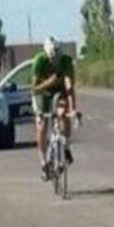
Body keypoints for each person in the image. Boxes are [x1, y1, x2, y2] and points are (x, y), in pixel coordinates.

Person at [32, 36, 78, 179]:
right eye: (52, 58)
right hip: (42, 94)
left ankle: (66, 146)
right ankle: (44, 162)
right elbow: (34, 89)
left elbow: (69, 87)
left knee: (63, 113)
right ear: (47, 54)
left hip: (60, 92)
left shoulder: (66, 61)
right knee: (41, 125)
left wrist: (73, 109)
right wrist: (50, 81)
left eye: (56, 57)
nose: (54, 61)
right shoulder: (39, 61)